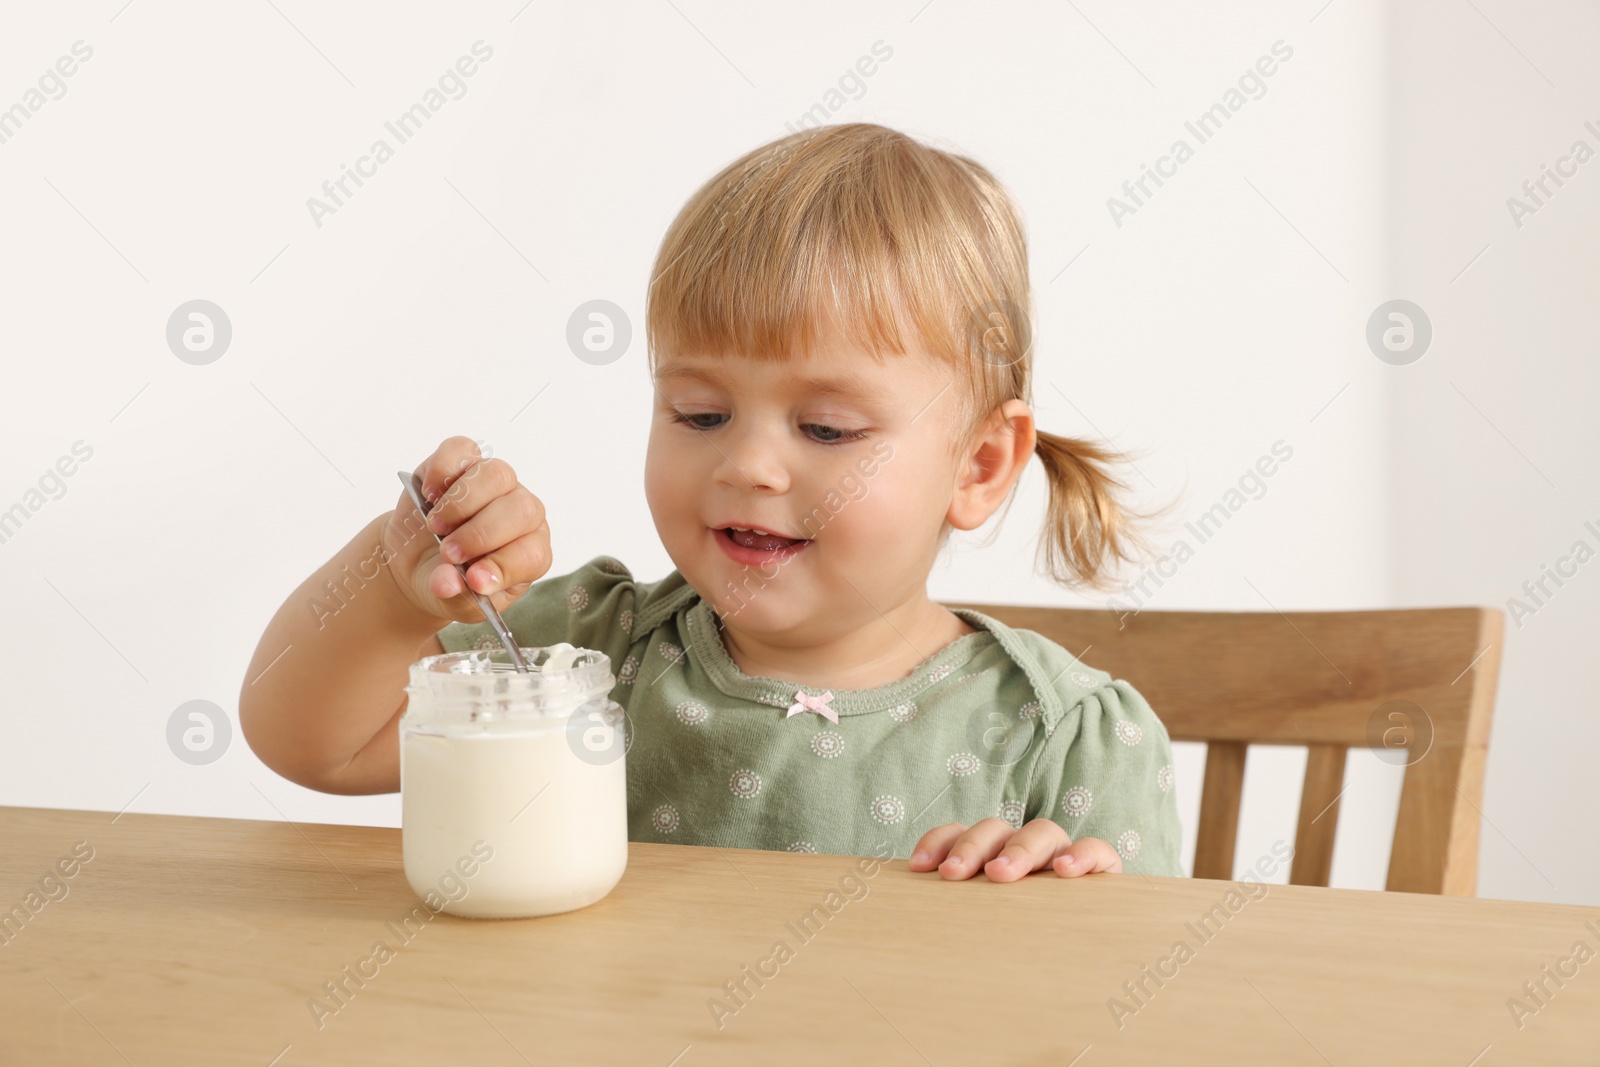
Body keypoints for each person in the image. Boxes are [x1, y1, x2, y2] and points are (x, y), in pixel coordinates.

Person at [240, 123, 1183, 881]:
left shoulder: (1065, 740)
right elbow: (315, 746)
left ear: (978, 465)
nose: (749, 466)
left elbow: (1149, 1015)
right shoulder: (587, 653)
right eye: (700, 411)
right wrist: (400, 584)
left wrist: (1058, 917)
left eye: (825, 429)